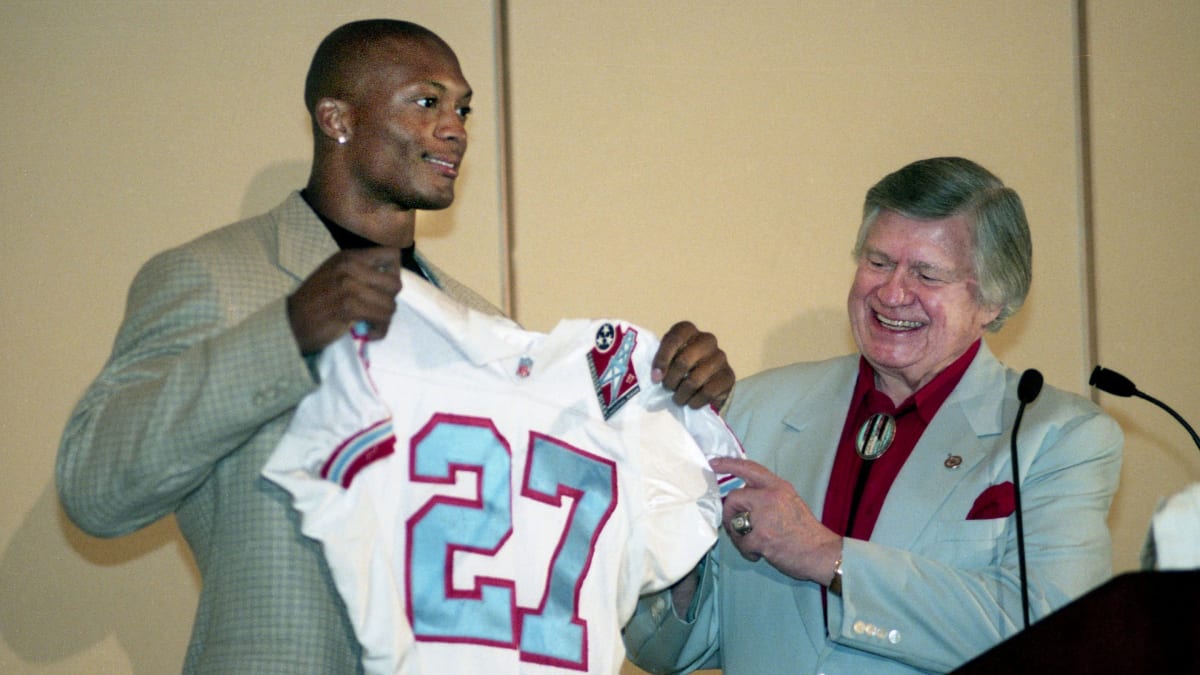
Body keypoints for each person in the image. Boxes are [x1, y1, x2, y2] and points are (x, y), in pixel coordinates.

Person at [57, 19, 733, 674]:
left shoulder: (485, 327)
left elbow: (540, 566)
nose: (455, 129)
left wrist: (682, 426)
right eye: (426, 102)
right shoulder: (217, 279)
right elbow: (95, 488)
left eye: (464, 109)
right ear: (337, 119)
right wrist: (288, 333)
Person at [623, 156, 1123, 674]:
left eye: (927, 273)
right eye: (878, 262)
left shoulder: (1057, 436)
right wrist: (671, 504)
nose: (892, 293)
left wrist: (825, 555)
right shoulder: (757, 407)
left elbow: (1058, 637)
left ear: (993, 301)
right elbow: (669, 650)